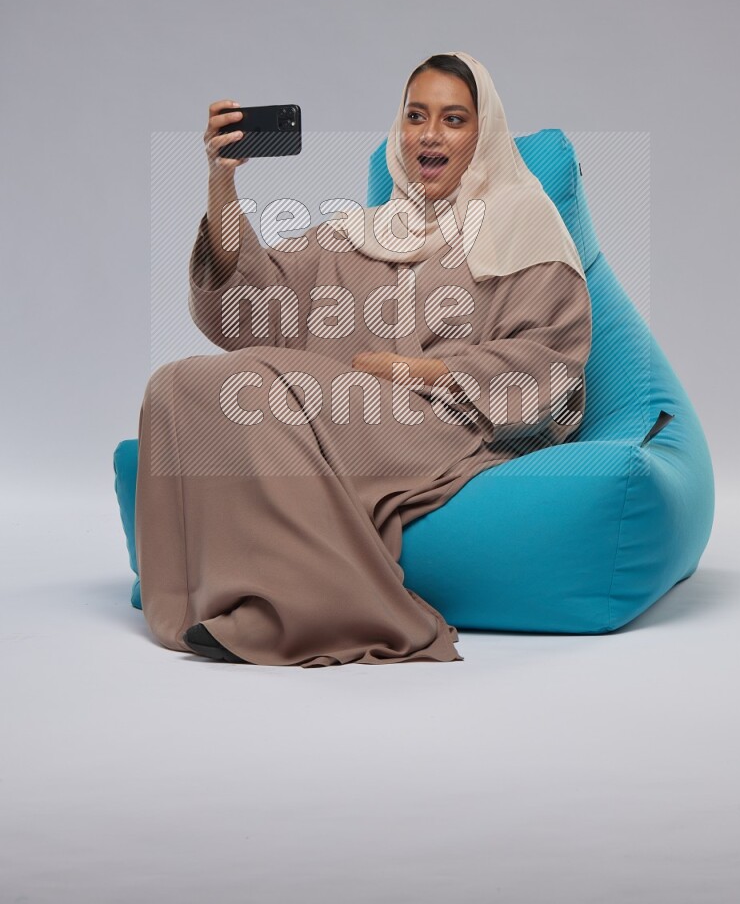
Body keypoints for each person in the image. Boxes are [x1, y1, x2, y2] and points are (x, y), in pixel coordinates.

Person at [134, 51, 592, 666]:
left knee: (265, 391)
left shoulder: (522, 224)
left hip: (449, 423)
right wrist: (223, 183)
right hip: (346, 412)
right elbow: (244, 306)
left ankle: (324, 611)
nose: (430, 134)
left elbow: (550, 366)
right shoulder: (364, 232)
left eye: (454, 119)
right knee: (177, 385)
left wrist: (415, 372)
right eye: (415, 116)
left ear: (483, 136)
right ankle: (219, 597)